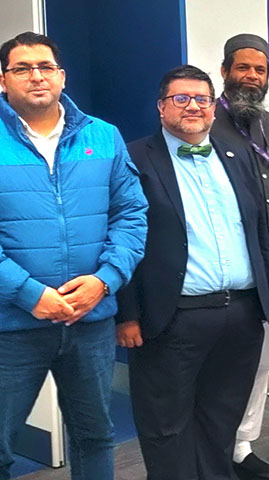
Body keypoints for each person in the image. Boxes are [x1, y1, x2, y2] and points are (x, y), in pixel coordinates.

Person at [116, 65, 269, 480]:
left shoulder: (235, 153)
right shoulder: (133, 158)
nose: (192, 107)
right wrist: (127, 313)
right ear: (161, 107)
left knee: (221, 421)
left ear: (212, 106)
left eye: (201, 99)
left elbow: (259, 227)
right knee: (166, 426)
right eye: (180, 98)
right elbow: (119, 238)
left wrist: (265, 301)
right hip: (172, 318)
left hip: (240, 314)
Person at [0, 32, 147, 480]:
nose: (36, 76)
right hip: (11, 326)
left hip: (91, 321)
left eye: (45, 67)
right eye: (22, 68)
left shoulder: (102, 136)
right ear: (3, 81)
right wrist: (28, 293)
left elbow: (132, 214)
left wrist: (105, 280)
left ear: (61, 76)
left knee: (94, 437)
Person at [211, 33, 269, 480]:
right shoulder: (204, 119)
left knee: (263, 360)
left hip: (266, 263)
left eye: (259, 70)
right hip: (221, 266)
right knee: (221, 360)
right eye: (243, 68)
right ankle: (212, 445)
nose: (251, 77)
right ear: (224, 70)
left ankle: (241, 446)